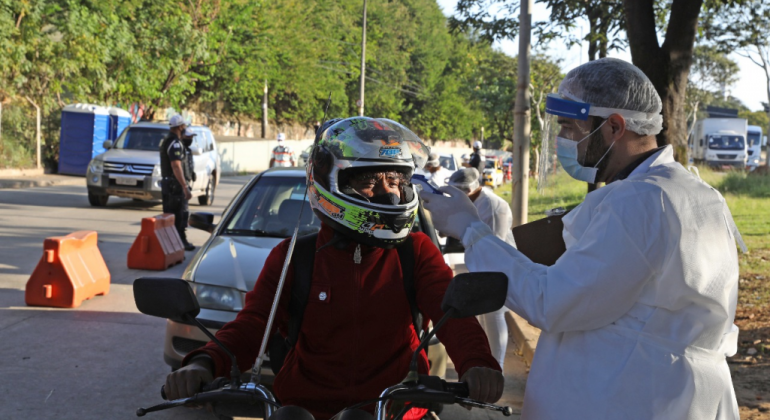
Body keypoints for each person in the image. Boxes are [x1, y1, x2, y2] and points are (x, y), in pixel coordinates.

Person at [420, 58, 745, 419]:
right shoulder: (690, 192)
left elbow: (552, 301)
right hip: (665, 391)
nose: (564, 140)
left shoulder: (640, 201)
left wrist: (471, 229)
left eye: (571, 127)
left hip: (637, 398)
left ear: (615, 126)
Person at [165, 117, 504, 419]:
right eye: (370, 181)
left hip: (394, 408)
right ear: (330, 183)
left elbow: (451, 311)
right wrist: (204, 362)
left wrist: (476, 363)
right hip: (304, 410)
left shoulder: (415, 252)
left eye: (396, 181)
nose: (388, 194)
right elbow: (254, 323)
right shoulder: (295, 256)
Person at [446, 168, 515, 369]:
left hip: (499, 269)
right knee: (484, 317)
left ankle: (497, 368)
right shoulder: (470, 203)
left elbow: (495, 245)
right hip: (482, 267)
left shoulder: (493, 206)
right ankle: (487, 364)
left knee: (494, 315)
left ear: (469, 190)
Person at [159, 115, 195, 251]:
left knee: (172, 216)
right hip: (175, 187)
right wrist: (185, 186)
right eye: (184, 126)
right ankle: (180, 242)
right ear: (180, 127)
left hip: (170, 185)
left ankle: (173, 244)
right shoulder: (174, 143)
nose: (185, 128)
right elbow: (176, 166)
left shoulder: (168, 140)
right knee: (179, 215)